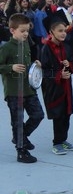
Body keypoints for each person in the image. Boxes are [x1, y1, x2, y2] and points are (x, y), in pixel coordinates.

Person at [0, 14, 45, 163]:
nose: (26, 34)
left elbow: (27, 61)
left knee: (38, 115)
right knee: (18, 121)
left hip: (28, 88)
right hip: (14, 91)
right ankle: (21, 152)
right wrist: (10, 67)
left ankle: (21, 137)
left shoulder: (26, 43)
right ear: (12, 30)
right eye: (22, 31)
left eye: (27, 31)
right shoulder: (6, 48)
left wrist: (35, 62)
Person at [40, 10, 73, 155]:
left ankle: (63, 140)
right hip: (53, 88)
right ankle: (57, 142)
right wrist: (59, 75)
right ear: (51, 32)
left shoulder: (66, 47)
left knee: (67, 113)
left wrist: (69, 65)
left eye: (65, 30)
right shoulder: (46, 49)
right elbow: (44, 71)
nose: (63, 33)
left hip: (66, 87)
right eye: (60, 31)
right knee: (58, 114)